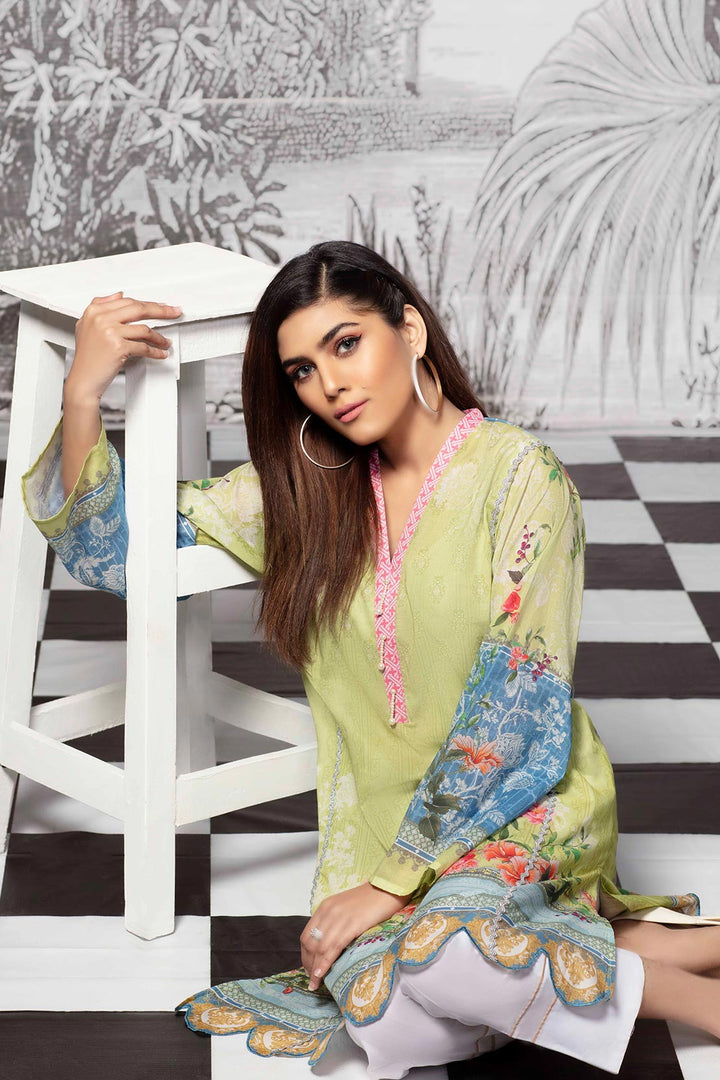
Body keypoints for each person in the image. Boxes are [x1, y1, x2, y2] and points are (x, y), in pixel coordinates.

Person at [20, 240, 720, 1078]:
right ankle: (626, 942)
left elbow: (518, 710)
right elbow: (113, 554)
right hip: (375, 838)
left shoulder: (521, 479)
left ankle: (702, 1004)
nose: (330, 384)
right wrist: (83, 392)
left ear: (410, 331)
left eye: (346, 343)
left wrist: (390, 889)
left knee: (448, 966)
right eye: (302, 370)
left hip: (520, 803)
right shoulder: (306, 491)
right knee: (387, 1014)